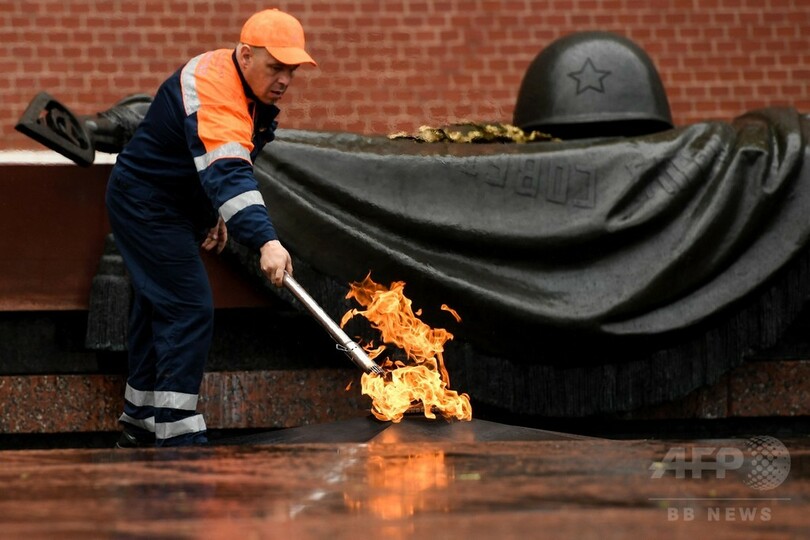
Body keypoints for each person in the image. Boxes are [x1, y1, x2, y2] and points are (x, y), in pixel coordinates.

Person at [105, 8, 317, 447]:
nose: (284, 80)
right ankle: (177, 435)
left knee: (158, 304)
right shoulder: (216, 84)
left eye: (291, 71)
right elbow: (228, 170)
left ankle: (141, 420)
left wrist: (215, 213)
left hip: (172, 205)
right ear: (245, 55)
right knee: (188, 306)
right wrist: (266, 241)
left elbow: (218, 158)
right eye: (274, 67)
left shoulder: (248, 92)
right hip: (146, 204)